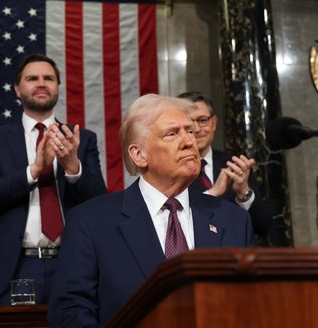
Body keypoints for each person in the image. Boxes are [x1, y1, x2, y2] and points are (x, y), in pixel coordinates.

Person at [48, 94, 254, 327]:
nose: (189, 142)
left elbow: (252, 306)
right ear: (139, 155)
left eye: (190, 132)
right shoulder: (91, 222)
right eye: (172, 134)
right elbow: (70, 310)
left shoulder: (234, 219)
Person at [0, 53, 108, 305]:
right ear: (17, 89)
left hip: (72, 262)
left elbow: (100, 203)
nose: (42, 83)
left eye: (49, 78)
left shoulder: (81, 139)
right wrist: (33, 170)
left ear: (57, 87)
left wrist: (72, 167)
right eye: (32, 78)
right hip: (14, 266)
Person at [178, 91, 272, 237]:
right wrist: (212, 193)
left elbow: (263, 227)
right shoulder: (169, 170)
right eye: (189, 123)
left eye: (202, 120)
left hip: (236, 256)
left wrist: (243, 194)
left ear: (214, 123)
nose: (197, 129)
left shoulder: (234, 165)